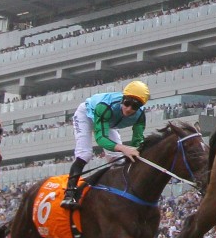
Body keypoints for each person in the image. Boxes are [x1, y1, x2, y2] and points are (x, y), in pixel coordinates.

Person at [61, 80, 150, 209]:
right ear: (122, 99)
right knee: (85, 154)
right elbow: (101, 138)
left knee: (117, 160)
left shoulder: (141, 116)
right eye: (127, 103)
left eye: (135, 107)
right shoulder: (105, 106)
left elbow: (137, 142)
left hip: (108, 122)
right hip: (87, 115)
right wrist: (124, 148)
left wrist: (136, 150)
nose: (129, 109)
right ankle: (70, 193)